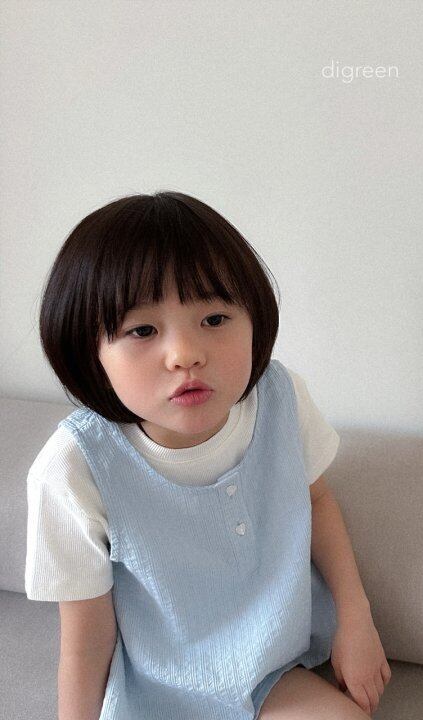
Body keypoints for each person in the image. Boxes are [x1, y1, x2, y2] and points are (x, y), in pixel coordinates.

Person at [24, 191, 391, 719]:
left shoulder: (281, 400)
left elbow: (317, 501)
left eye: (215, 319)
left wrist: (356, 621)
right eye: (143, 330)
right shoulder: (74, 467)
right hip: (156, 699)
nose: (186, 354)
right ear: (89, 351)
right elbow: (84, 643)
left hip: (271, 676)